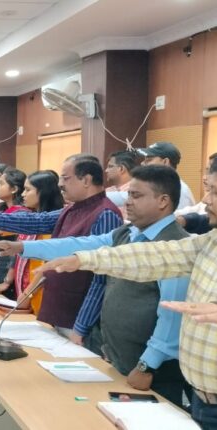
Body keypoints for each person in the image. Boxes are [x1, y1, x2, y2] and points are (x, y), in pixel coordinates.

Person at [34, 160, 217, 429]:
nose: (206, 199)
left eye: (214, 191)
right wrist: (82, 259)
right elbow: (154, 255)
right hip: (203, 396)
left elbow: (168, 318)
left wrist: (147, 365)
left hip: (170, 378)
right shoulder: (208, 242)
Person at [0, 166, 190, 405]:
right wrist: (23, 247)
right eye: (129, 194)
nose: (128, 202)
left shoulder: (176, 246)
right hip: (121, 359)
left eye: (136, 196)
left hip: (152, 371)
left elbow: (172, 317)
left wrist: (147, 365)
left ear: (163, 201)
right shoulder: (128, 233)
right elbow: (81, 244)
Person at [0, 155, 123, 347]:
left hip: (78, 319)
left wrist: (82, 327)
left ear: (86, 180)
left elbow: (101, 279)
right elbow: (38, 221)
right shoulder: (73, 208)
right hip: (59, 311)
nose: (60, 184)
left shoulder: (105, 213)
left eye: (65, 178)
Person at [138, 141, 195, 210]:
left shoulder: (180, 192)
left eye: (149, 160)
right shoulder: (155, 186)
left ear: (165, 162)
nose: (142, 163)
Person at [105, 151, 136, 218]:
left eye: (110, 166)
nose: (106, 170)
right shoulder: (108, 190)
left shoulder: (135, 191)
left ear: (121, 169)